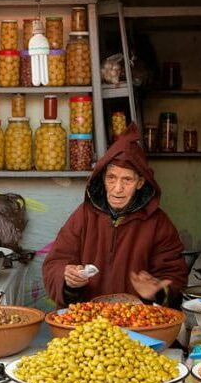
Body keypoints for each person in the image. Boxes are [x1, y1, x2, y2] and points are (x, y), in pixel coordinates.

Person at [43, 124, 188, 308]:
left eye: (127, 180)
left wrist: (158, 291)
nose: (117, 189)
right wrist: (69, 280)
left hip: (137, 323)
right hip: (86, 323)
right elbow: (55, 262)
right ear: (103, 179)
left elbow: (176, 277)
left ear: (140, 183)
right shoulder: (84, 215)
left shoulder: (158, 223)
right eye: (111, 178)